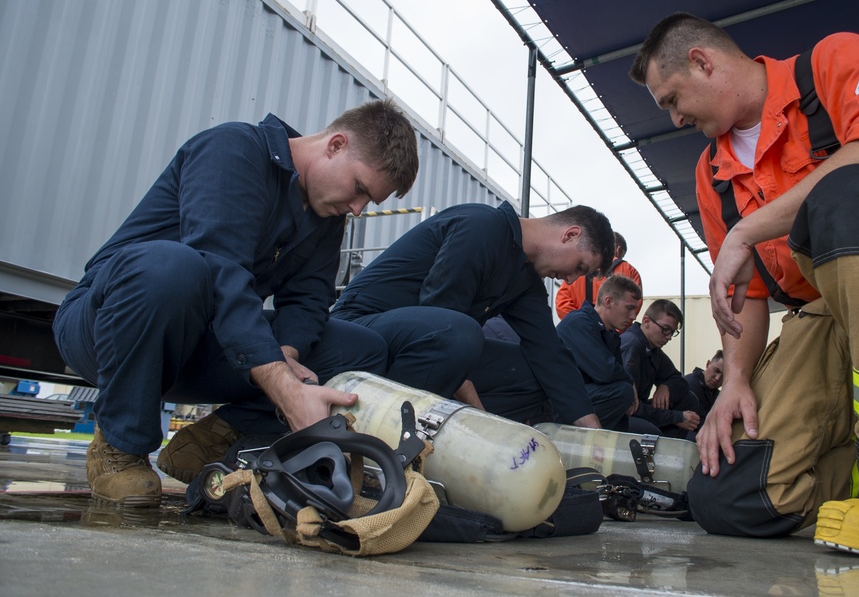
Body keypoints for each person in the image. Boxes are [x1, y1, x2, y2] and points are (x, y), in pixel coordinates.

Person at [629, 12, 859, 558]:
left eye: (671, 99)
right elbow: (748, 295)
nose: (676, 118)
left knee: (847, 193)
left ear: (701, 62)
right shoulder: (714, 173)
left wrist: (747, 230)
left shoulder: (830, 62)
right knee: (729, 496)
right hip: (828, 317)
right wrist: (734, 382)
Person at [52, 100, 420, 507]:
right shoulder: (234, 149)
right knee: (175, 268)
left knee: (360, 347)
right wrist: (282, 388)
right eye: (360, 189)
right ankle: (120, 447)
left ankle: (210, 443)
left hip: (202, 343)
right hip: (110, 329)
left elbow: (309, 300)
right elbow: (220, 271)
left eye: (369, 202)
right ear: (335, 145)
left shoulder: (324, 214)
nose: (357, 208)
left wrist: (287, 355)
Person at [330, 203, 615, 428]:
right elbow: (440, 322)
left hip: (423, 347)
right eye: (580, 266)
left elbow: (549, 352)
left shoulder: (525, 280)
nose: (569, 281)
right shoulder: (482, 226)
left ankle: (450, 441)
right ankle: (383, 433)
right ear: (570, 234)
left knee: (533, 374)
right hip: (360, 332)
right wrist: (480, 418)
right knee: (459, 333)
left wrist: (592, 428)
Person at [555, 275, 644, 431]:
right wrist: (630, 381)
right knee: (622, 392)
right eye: (629, 308)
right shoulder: (578, 323)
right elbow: (605, 371)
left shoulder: (609, 335)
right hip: (555, 402)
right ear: (608, 301)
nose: (633, 316)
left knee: (624, 394)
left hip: (576, 398)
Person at [620, 299, 701, 438]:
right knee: (653, 434)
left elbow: (680, 380)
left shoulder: (653, 350)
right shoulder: (632, 345)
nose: (669, 337)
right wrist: (676, 417)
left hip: (638, 409)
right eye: (665, 329)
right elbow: (630, 405)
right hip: (621, 413)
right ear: (646, 322)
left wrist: (666, 386)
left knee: (689, 399)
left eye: (672, 332)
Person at [555, 231, 642, 319]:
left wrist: (580, 325)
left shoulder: (578, 266)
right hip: (612, 330)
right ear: (618, 250)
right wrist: (612, 331)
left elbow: (562, 303)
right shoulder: (629, 270)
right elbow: (634, 305)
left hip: (580, 329)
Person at [685, 350, 725, 435]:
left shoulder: (716, 394)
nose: (717, 378)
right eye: (716, 370)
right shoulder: (689, 385)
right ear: (708, 364)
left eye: (724, 376)